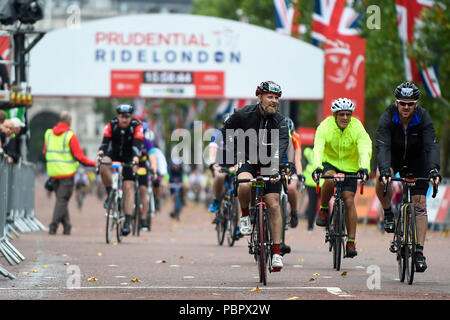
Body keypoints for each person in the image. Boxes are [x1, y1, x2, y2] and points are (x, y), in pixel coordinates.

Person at [222, 80, 289, 270]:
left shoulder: (280, 121)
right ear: (259, 97)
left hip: (270, 164)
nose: (274, 101)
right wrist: (236, 155)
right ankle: (244, 216)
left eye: (276, 98)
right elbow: (226, 130)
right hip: (248, 160)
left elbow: (283, 143)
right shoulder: (244, 114)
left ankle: (276, 252)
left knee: (274, 203)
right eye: (270, 97)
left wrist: (276, 168)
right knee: (244, 184)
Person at [375, 81, 441, 272]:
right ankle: (388, 213)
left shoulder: (423, 117)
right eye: (402, 103)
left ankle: (419, 252)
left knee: (420, 202)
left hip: (416, 158)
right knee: (381, 176)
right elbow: (383, 146)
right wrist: (386, 170)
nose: (406, 107)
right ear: (396, 102)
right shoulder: (387, 117)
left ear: (416, 104)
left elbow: (432, 145)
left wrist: (434, 170)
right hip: (393, 156)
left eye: (410, 103)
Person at [311, 98, 372, 258]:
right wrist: (317, 166)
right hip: (331, 163)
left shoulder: (357, 127)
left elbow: (365, 147)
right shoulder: (325, 126)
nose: (345, 117)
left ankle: (351, 241)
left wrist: (365, 167)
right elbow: (318, 148)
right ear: (335, 115)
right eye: (342, 114)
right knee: (329, 180)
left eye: (348, 114)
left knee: (349, 200)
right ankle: (324, 209)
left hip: (351, 167)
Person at [43, 111, 96, 235]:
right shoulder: (70, 135)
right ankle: (53, 226)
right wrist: (93, 164)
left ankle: (67, 226)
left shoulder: (48, 134)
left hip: (53, 173)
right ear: (69, 121)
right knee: (62, 200)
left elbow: (45, 151)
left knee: (61, 200)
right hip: (66, 175)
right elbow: (79, 156)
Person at [97, 104, 144, 236]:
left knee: (128, 187)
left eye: (127, 117)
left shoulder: (137, 126)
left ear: (131, 117)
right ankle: (110, 194)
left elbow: (137, 145)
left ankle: (127, 221)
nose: (124, 120)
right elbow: (105, 143)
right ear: (118, 116)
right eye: (122, 117)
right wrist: (101, 152)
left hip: (130, 156)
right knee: (103, 164)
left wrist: (135, 159)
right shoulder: (111, 125)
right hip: (116, 153)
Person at [283, 117, 305, 229]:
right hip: (277, 166)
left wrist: (299, 174)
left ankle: (294, 212)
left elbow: (297, 158)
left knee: (291, 188)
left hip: (291, 167)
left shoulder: (295, 137)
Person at [302, 147, 322, 233]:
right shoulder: (308, 151)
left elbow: (303, 165)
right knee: (323, 204)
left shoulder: (307, 151)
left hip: (314, 181)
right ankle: (327, 227)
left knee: (313, 204)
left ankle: (310, 227)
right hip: (317, 181)